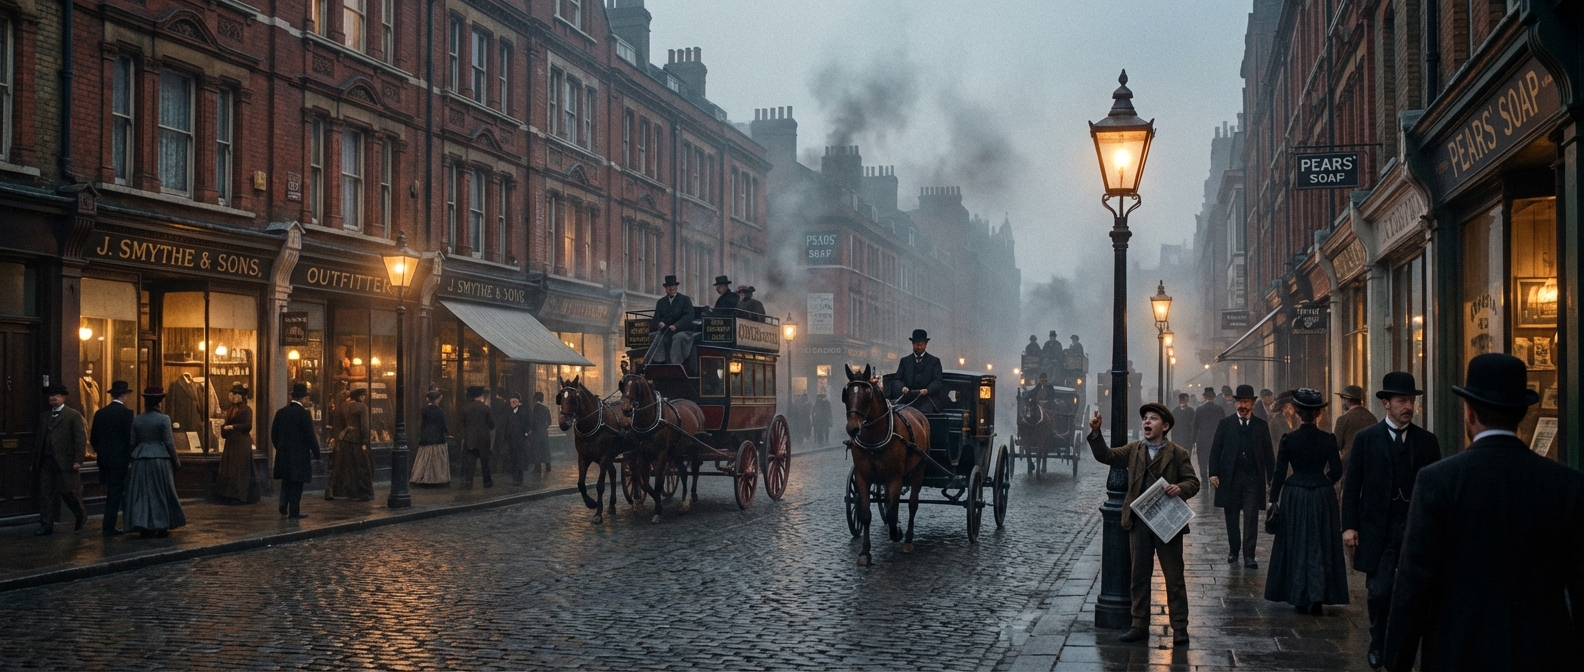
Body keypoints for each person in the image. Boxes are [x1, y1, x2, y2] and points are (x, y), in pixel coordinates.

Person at [1384, 354, 1584, 672]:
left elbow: (1414, 583)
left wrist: (1398, 659)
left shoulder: (1438, 481)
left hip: (1459, 650)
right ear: (1520, 414)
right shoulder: (1566, 484)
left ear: (1471, 412)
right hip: (1544, 652)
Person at [1341, 371, 1440, 670]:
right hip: (1376, 527)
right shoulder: (1366, 439)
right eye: (1401, 401)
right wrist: (1349, 525)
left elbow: (1436, 490)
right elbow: (1351, 485)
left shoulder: (1427, 441)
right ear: (1386, 404)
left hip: (1414, 528)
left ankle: (1403, 646)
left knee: (1413, 592)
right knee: (1380, 590)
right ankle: (1378, 640)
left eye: (1410, 401)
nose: (1408, 406)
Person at [1086, 403, 1199, 645]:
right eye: (1145, 418)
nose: (1147, 422)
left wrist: (1180, 488)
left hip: (1167, 524)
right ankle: (1139, 624)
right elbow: (1107, 456)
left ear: (1165, 426)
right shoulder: (1134, 450)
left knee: (1174, 577)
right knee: (1139, 576)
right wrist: (1096, 434)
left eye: (1153, 419)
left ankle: (1180, 628)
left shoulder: (1178, 453)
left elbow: (1193, 482)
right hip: (1139, 522)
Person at [1263, 388, 1349, 614]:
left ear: (1298, 414)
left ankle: (1299, 596)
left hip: (1295, 495)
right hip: (1322, 496)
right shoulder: (1328, 439)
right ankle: (1318, 598)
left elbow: (1280, 472)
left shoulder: (1289, 439)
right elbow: (1337, 470)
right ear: (1318, 414)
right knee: (1321, 544)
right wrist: (1322, 481)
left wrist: (1273, 500)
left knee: (1297, 544)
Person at [1208, 384, 1275, 568]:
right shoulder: (1226, 424)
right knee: (1231, 515)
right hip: (1230, 478)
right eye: (1239, 402)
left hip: (1253, 477)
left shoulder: (1261, 426)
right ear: (1235, 403)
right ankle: (1233, 550)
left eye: (1245, 402)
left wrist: (1271, 477)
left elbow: (1269, 453)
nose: (1242, 406)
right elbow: (1216, 450)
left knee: (1251, 516)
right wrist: (1213, 472)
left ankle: (1249, 555)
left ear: (1252, 403)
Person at [123, 387, 185, 538]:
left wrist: (130, 459)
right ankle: (162, 525)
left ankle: (144, 525)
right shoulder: (164, 419)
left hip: (140, 460)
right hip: (159, 459)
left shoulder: (137, 419)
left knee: (142, 494)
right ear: (159, 403)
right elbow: (169, 443)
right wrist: (176, 462)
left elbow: (131, 442)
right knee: (161, 492)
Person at [34, 383, 87, 536]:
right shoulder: (44, 416)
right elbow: (39, 439)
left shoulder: (72, 415)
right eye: (51, 396)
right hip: (47, 461)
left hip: (66, 462)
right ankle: (46, 525)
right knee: (46, 494)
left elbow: (80, 439)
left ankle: (80, 514)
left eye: (56, 395)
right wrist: (36, 460)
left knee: (69, 492)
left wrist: (78, 460)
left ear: (63, 397)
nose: (53, 398)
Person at [90, 381, 135, 535]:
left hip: (104, 460)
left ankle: (109, 526)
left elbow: (93, 438)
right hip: (121, 461)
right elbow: (130, 439)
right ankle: (115, 527)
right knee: (120, 495)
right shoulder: (126, 414)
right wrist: (129, 459)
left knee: (111, 493)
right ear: (124, 396)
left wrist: (102, 453)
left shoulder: (100, 413)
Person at [271, 383, 321, 519]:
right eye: (306, 398)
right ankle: (294, 511)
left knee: (286, 481)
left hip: (283, 454)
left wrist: (280, 448)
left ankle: (282, 505)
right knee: (297, 483)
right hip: (299, 455)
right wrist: (317, 453)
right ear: (303, 398)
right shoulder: (304, 414)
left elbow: (273, 434)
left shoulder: (280, 412)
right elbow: (310, 436)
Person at [1330, 384, 1377, 501]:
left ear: (1347, 400)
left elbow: (1337, 445)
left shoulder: (1343, 419)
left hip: (1348, 464)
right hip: (1370, 464)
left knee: (1348, 497)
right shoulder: (1372, 418)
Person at [326, 388, 374, 501]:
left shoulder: (342, 406)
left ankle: (339, 491)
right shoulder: (362, 407)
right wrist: (365, 441)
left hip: (344, 440)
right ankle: (363, 492)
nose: (364, 398)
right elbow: (365, 426)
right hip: (357, 441)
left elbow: (337, 424)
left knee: (344, 467)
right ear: (360, 396)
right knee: (361, 466)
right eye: (363, 396)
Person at [217, 384, 259, 504]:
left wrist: (233, 427)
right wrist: (225, 429)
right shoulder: (231, 409)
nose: (235, 397)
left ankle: (240, 495)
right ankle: (229, 494)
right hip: (231, 442)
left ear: (242, 396)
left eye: (237, 394)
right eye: (233, 394)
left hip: (241, 442)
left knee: (240, 468)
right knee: (230, 468)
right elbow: (226, 423)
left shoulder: (246, 409)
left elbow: (248, 426)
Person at [887, 329, 944, 411]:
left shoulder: (934, 361)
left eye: (922, 344)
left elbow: (938, 381)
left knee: (925, 414)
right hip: (907, 399)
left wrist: (927, 390)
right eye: (917, 344)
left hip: (927, 400)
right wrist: (902, 388)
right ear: (913, 344)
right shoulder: (905, 361)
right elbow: (897, 380)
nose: (919, 347)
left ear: (926, 344)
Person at [648, 275, 693, 364]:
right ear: (665, 288)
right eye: (669, 287)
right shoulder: (660, 302)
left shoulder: (685, 300)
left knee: (678, 338)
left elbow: (688, 316)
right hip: (665, 330)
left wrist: (676, 326)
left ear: (676, 287)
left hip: (681, 330)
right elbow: (656, 317)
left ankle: (676, 363)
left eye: (673, 286)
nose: (671, 289)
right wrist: (659, 324)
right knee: (654, 335)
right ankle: (659, 361)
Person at [412, 390, 451, 486]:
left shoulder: (424, 410)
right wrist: (446, 432)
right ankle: (437, 478)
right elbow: (442, 425)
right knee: (437, 459)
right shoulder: (439, 411)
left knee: (425, 457)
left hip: (426, 436)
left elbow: (423, 424)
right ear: (437, 399)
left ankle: (421, 477)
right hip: (437, 436)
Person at [460, 386, 494, 488]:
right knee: (485, 462)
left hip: (470, 439)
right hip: (483, 439)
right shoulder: (486, 408)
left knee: (470, 463)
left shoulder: (466, 408)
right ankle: (487, 482)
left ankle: (468, 482)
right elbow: (492, 424)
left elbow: (462, 424)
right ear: (480, 396)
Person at [1190, 388, 1225, 489]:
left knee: (1202, 460)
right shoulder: (1219, 409)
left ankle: (1204, 479)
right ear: (1214, 397)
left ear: (1204, 397)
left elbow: (1195, 426)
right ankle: (1214, 477)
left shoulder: (1199, 409)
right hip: (1216, 439)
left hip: (1202, 439)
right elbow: (1223, 425)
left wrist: (1193, 441)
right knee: (1215, 459)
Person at [503, 392, 530, 485]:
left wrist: (526, 434)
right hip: (511, 441)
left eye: (515, 401)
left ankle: (519, 478)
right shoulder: (509, 412)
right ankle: (514, 477)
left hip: (520, 440)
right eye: (511, 402)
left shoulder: (524, 412)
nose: (513, 404)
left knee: (519, 459)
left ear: (519, 402)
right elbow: (506, 426)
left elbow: (529, 424)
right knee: (512, 459)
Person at [528, 391, 553, 477]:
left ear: (535, 399)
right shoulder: (546, 409)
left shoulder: (535, 409)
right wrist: (545, 427)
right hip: (544, 433)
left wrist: (530, 430)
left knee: (537, 450)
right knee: (545, 449)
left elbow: (532, 421)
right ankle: (548, 465)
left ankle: (537, 468)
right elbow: (549, 421)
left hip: (536, 433)